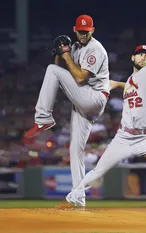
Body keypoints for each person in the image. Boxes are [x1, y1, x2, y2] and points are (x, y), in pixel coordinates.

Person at [66, 45, 146, 211]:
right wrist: (115, 84)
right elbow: (132, 85)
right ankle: (75, 195)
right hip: (124, 137)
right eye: (139, 55)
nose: (143, 58)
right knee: (99, 170)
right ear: (132, 58)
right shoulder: (131, 80)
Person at [23, 14, 124, 207]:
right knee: (75, 150)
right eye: (80, 31)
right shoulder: (77, 46)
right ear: (75, 29)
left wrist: (66, 54)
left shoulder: (95, 49)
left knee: (52, 71)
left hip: (93, 98)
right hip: (84, 103)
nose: (83, 34)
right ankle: (78, 199)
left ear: (92, 30)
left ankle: (43, 117)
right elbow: (63, 68)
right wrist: (59, 52)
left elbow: (78, 78)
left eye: (87, 31)